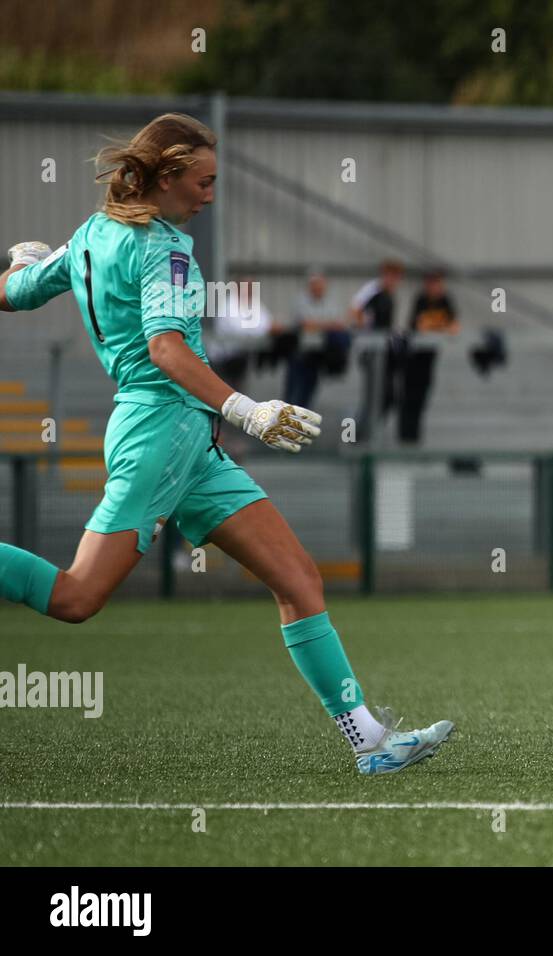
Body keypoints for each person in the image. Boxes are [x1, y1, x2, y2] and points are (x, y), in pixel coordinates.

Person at [0, 113, 452, 774]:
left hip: (185, 443)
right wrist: (248, 409)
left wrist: (19, 263)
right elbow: (165, 348)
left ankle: (371, 745)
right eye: (203, 181)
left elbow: (13, 294)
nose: (211, 194)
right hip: (159, 435)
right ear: (168, 176)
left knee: (298, 579)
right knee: (75, 598)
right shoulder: (165, 248)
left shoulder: (91, 236)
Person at [399, 269, 459, 445]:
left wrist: (438, 323)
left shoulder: (445, 300)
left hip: (429, 357)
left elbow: (454, 326)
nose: (435, 287)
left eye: (438, 283)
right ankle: (405, 437)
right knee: (409, 397)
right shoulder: (421, 300)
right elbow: (421, 325)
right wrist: (441, 323)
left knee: (422, 398)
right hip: (412, 358)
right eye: (432, 283)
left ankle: (414, 438)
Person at [349, 259, 404, 443]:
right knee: (375, 393)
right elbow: (355, 310)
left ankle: (370, 431)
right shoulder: (373, 290)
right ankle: (359, 435)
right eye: (389, 275)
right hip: (373, 351)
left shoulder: (390, 294)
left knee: (387, 395)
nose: (392, 280)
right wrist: (365, 330)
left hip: (385, 351)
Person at [285, 269, 344, 411]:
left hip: (318, 353)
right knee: (294, 391)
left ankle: (300, 424)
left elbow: (338, 324)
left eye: (322, 285)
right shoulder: (300, 301)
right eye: (316, 285)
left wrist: (319, 325)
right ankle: (285, 425)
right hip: (300, 352)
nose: (319, 288)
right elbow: (306, 324)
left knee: (309, 390)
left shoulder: (329, 302)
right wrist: (326, 325)